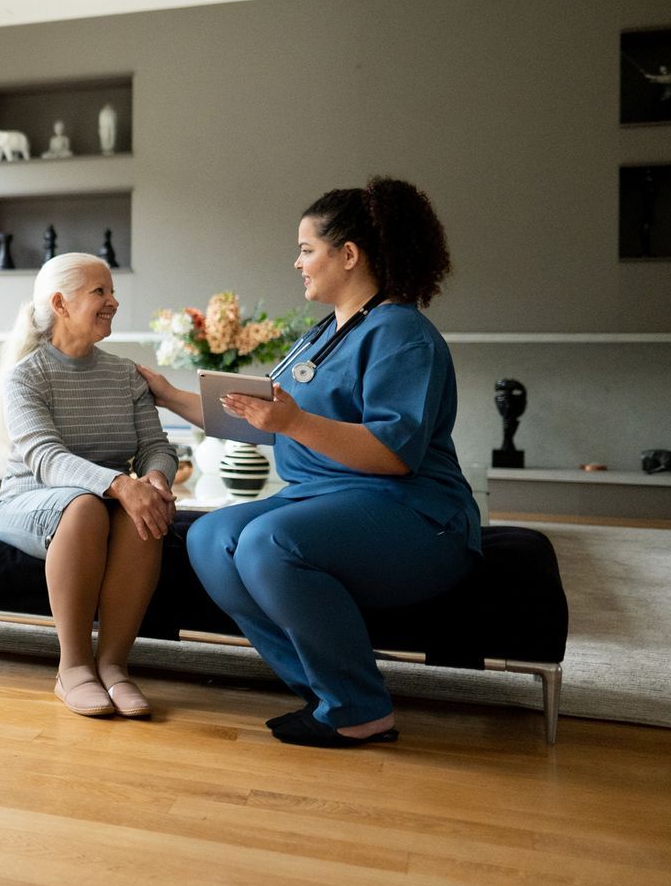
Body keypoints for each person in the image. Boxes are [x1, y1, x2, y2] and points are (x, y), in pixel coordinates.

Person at [138, 177, 478, 748]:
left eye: (306, 249)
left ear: (348, 254)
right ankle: (327, 692)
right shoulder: (322, 334)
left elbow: (395, 455)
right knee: (209, 536)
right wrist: (169, 395)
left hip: (416, 514)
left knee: (267, 541)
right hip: (319, 502)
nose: (297, 263)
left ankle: (360, 708)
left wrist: (294, 423)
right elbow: (257, 418)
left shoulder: (402, 333)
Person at [0, 253, 179, 718]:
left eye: (112, 291)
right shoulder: (26, 377)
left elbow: (158, 445)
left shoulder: (124, 375)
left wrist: (153, 478)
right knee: (87, 507)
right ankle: (71, 668)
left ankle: (114, 667)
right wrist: (119, 484)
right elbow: (46, 460)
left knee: (140, 514)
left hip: (103, 499)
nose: (114, 301)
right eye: (100, 292)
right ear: (60, 303)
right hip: (30, 500)